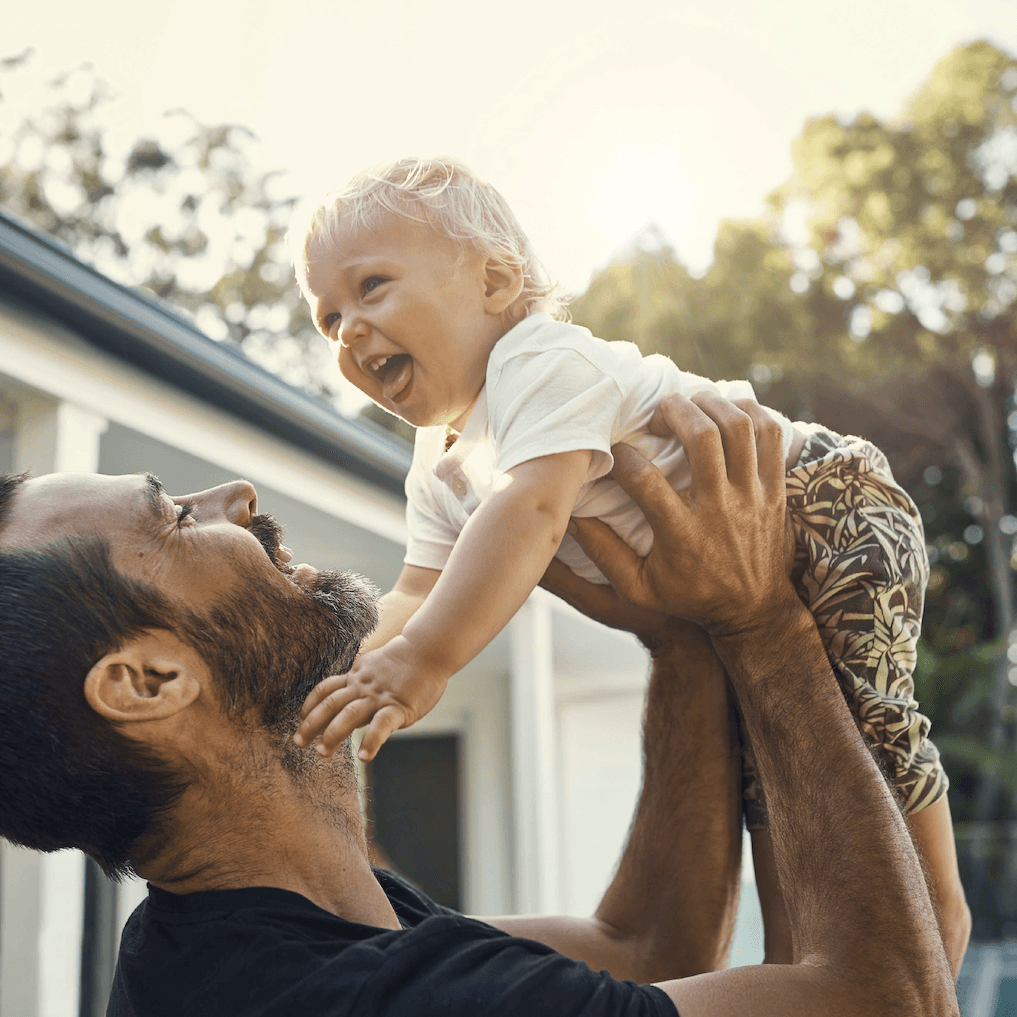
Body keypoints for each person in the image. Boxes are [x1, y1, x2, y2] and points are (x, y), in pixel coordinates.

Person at [0, 393, 958, 1015]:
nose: (233, 495)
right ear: (148, 682)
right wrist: (760, 624)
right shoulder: (350, 1000)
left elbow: (647, 944)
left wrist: (683, 634)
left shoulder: (243, 942)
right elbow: (893, 1000)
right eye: (173, 516)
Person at [288, 157, 969, 972]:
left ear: (495, 282)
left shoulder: (537, 365)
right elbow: (414, 588)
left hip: (823, 502)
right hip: (739, 575)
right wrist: (338, 670)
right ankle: (814, 963)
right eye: (328, 319)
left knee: (862, 730)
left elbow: (530, 514)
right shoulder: (439, 460)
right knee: (775, 780)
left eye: (371, 288)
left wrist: (423, 659)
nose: (349, 330)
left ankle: (938, 913)